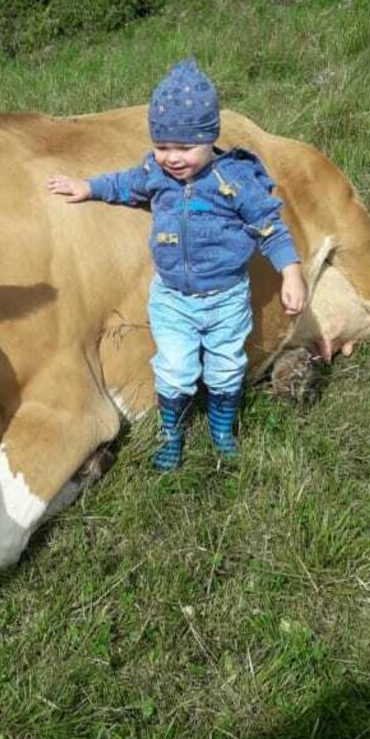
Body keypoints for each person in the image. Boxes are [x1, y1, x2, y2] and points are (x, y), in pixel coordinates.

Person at [47, 58, 307, 469]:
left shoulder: (233, 180)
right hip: (172, 299)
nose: (172, 158)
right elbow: (122, 184)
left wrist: (290, 272)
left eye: (185, 147)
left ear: (210, 138)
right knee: (174, 368)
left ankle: (221, 430)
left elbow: (269, 227)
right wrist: (86, 187)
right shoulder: (157, 173)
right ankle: (171, 435)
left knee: (225, 366)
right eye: (162, 146)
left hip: (225, 299)